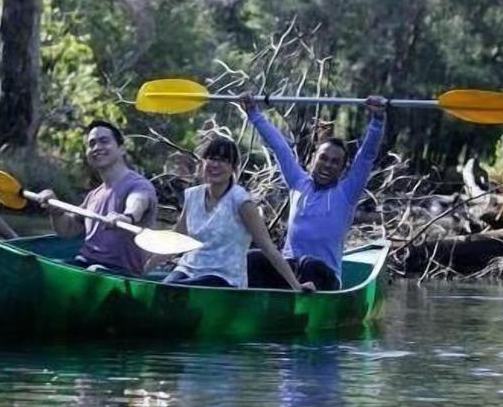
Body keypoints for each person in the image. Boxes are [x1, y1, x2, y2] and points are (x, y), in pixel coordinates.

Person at [239, 93, 386, 290]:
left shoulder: (347, 192)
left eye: (335, 162)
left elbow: (366, 155)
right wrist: (253, 112)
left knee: (309, 264)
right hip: (291, 273)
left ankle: (306, 303)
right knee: (254, 258)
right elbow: (279, 147)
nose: (328, 165)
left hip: (324, 276)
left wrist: (378, 119)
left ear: (342, 168)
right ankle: (260, 302)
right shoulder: (298, 182)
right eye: (323, 158)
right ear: (314, 159)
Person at [161, 137, 314, 292]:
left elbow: (267, 247)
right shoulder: (192, 196)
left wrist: (296, 285)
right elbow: (176, 240)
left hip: (223, 276)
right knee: (163, 289)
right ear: (203, 162)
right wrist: (148, 264)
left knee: (177, 290)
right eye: (212, 158)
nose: (216, 165)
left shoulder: (241, 201)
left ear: (233, 168)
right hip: (188, 269)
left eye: (223, 160)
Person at [31, 120, 158, 276]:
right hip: (85, 263)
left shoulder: (139, 185)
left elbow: (138, 201)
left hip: (120, 274)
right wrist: (56, 211)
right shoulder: (93, 195)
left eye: (104, 141)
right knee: (47, 265)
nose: (97, 147)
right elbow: (68, 230)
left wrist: (127, 217)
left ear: (122, 149)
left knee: (92, 271)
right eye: (91, 144)